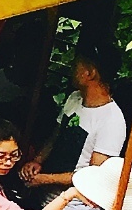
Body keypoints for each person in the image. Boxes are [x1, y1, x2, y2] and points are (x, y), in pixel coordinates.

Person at [23, 48, 126, 189]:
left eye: (76, 65)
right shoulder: (74, 98)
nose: (72, 70)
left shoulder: (112, 121)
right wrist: (37, 161)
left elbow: (94, 174)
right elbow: (55, 137)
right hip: (45, 195)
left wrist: (46, 179)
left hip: (73, 207)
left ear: (90, 73)